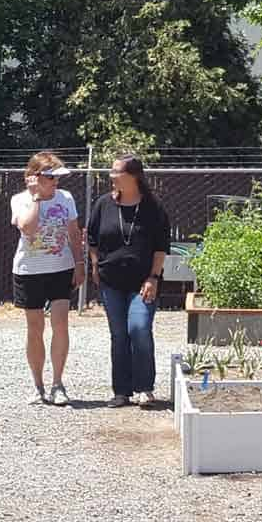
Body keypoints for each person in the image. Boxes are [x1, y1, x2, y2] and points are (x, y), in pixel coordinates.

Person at [87, 155, 169, 409]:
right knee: (119, 335)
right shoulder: (103, 204)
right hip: (111, 281)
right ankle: (121, 391)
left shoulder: (153, 207)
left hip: (143, 282)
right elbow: (92, 239)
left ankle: (145, 387)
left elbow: (160, 247)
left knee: (139, 328)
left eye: (116, 171)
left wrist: (153, 277)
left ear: (133, 175)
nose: (111, 175)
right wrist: (94, 267)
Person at [10, 151, 84, 406]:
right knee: (35, 328)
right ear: (34, 177)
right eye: (51, 177)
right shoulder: (19, 200)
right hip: (29, 270)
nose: (56, 182)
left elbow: (74, 233)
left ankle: (58, 384)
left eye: (56, 178)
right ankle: (38, 385)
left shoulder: (66, 198)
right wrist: (37, 199)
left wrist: (79, 263)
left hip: (60, 268)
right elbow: (28, 229)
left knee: (60, 324)